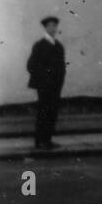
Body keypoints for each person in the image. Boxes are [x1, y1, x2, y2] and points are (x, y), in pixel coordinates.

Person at [27, 15, 67, 151]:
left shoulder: (59, 46)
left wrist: (59, 82)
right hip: (44, 87)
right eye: (50, 26)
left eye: (54, 26)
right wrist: (44, 80)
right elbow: (31, 65)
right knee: (43, 112)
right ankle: (39, 141)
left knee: (52, 113)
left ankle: (48, 140)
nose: (53, 28)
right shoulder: (39, 45)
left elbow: (62, 67)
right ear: (45, 28)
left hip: (56, 87)